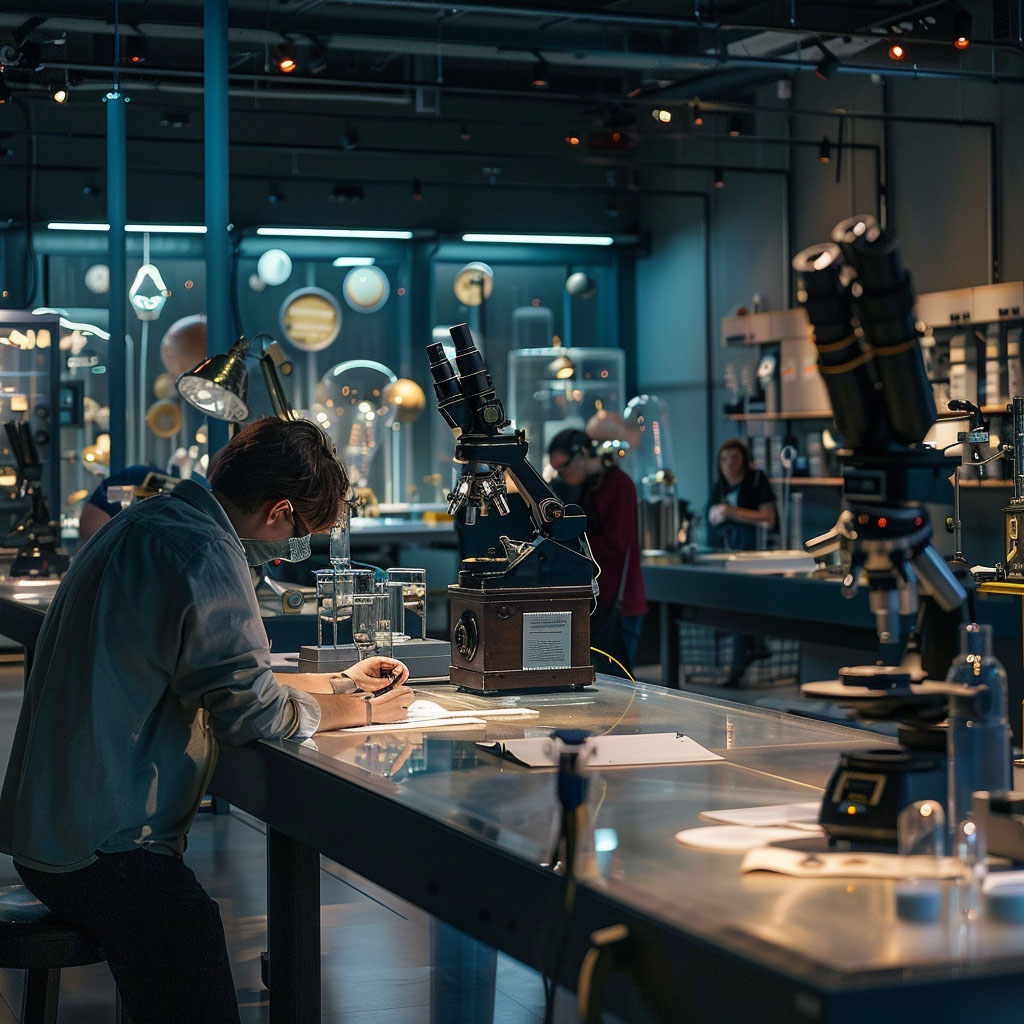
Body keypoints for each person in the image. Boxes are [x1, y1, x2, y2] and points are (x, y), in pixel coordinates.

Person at [0, 416, 414, 1024]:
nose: (295, 547)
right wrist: (367, 707)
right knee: (192, 956)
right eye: (303, 532)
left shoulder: (148, 522)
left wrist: (339, 681)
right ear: (278, 513)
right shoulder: (207, 553)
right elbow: (256, 716)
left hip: (46, 830)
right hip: (100, 851)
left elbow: (214, 674)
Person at [548, 428, 648, 671]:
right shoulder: (586, 486)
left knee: (618, 682)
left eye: (565, 467)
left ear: (583, 453)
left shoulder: (619, 484)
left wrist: (568, 547)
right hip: (597, 597)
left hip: (620, 601)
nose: (563, 474)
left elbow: (616, 544)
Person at [706, 438, 778, 550]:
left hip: (755, 550)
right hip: (725, 550)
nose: (730, 463)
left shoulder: (756, 480)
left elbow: (769, 518)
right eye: (724, 459)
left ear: (744, 460)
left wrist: (733, 512)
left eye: (734, 458)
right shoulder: (719, 487)